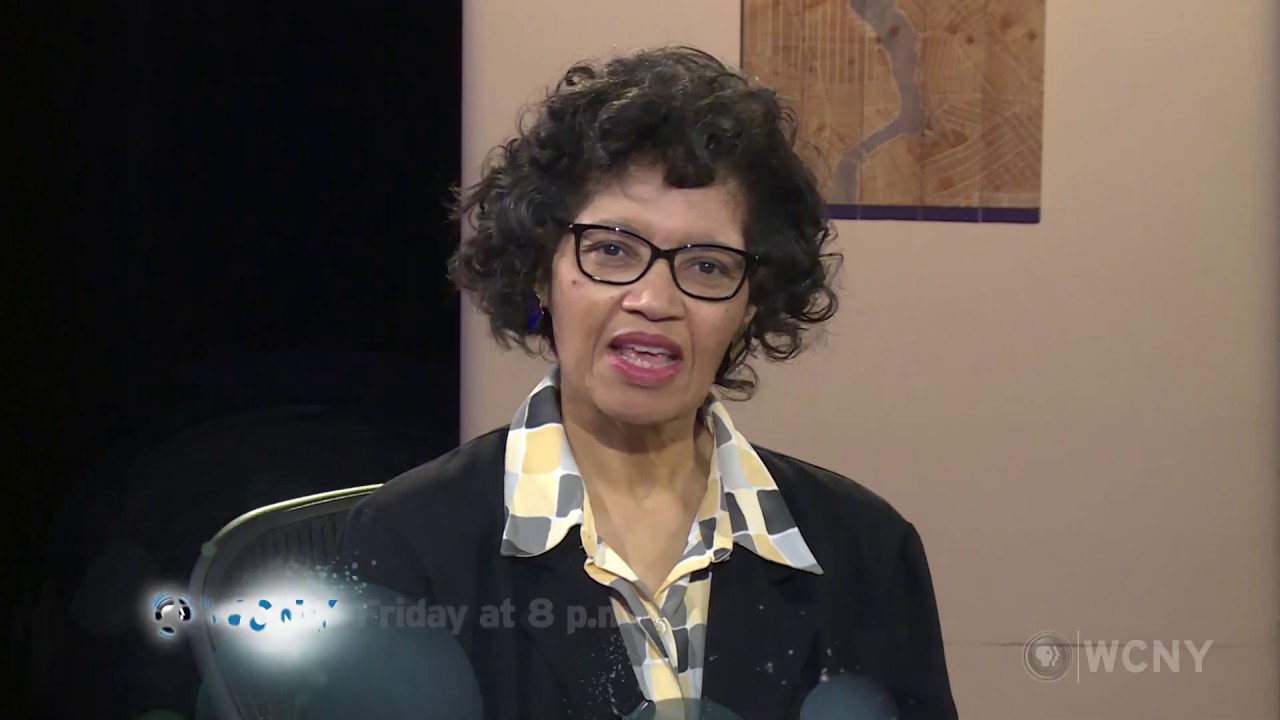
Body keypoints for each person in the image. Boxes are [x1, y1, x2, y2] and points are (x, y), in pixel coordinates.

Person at [333, 46, 957, 720]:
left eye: (707, 266)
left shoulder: (866, 550)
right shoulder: (412, 540)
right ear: (542, 270)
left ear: (751, 303)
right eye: (612, 250)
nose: (655, 299)